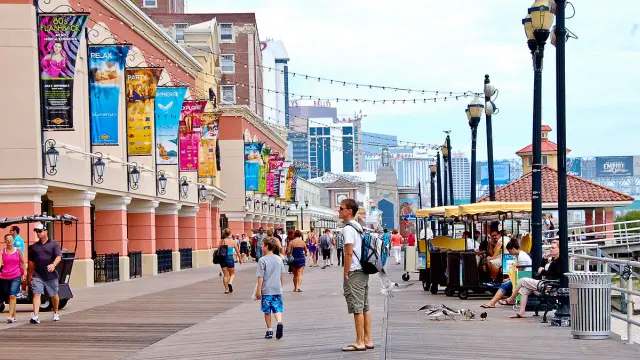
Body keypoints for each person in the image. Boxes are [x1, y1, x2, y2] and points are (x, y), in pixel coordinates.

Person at [340, 198, 373, 352]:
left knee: (357, 308)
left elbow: (348, 252)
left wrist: (346, 272)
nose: (339, 211)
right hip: (364, 271)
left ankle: (359, 341)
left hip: (355, 271)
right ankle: (368, 339)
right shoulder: (358, 226)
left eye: (341, 208)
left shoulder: (347, 229)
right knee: (365, 307)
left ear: (349, 211)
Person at [505, 241, 562, 318]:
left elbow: (555, 274)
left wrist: (543, 271)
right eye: (550, 248)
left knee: (522, 280)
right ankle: (521, 312)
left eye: (553, 248)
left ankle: (511, 298)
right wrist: (544, 259)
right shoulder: (552, 260)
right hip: (544, 283)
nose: (551, 249)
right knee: (524, 289)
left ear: (559, 249)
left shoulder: (560, 260)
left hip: (549, 285)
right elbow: (540, 270)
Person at [480, 238, 532, 309]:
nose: (510, 253)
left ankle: (492, 303)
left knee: (504, 285)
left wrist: (509, 279)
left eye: (510, 251)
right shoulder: (520, 255)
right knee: (505, 284)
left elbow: (519, 272)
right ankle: (496, 302)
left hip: (524, 277)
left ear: (513, 249)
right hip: (522, 276)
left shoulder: (521, 256)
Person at [27, 222, 62, 324]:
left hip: (50, 275)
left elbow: (58, 256)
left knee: (53, 294)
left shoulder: (53, 244)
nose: (38, 233)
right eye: (37, 232)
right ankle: (36, 315)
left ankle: (56, 312)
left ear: (46, 231)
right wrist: (30, 274)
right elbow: (31, 262)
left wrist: (53, 265)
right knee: (36, 293)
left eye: (40, 231)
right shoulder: (33, 247)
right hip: (38, 274)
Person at [256, 237, 286, 339]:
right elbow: (282, 275)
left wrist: (258, 290)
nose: (261, 246)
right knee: (277, 308)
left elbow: (260, 276)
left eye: (263, 245)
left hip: (266, 289)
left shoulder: (262, 260)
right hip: (277, 288)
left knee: (267, 310)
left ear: (267, 246)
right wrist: (281, 286)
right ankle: (279, 322)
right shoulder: (279, 259)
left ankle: (269, 330)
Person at [1, 234, 27, 323]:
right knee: (10, 296)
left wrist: (25, 274)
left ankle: (10, 316)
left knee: (12, 295)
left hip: (16, 275)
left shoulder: (18, 251)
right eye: (7, 240)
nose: (9, 241)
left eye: (11, 240)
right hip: (4, 276)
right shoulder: (2, 251)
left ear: (13, 241)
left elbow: (23, 262)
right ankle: (14, 315)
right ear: (5, 241)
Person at [219, 228, 242, 294]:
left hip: (222, 258)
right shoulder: (233, 241)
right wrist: (240, 259)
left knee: (225, 275)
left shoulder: (222, 241)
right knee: (232, 273)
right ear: (230, 234)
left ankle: (226, 290)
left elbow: (219, 249)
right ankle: (230, 282)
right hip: (229, 258)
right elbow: (237, 251)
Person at [9, 226, 27, 299]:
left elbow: (19, 252)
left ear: (15, 231)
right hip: (15, 262)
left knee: (22, 276)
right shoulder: (14, 240)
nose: (9, 232)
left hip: (19, 262)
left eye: (11, 230)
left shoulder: (18, 240)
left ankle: (23, 292)